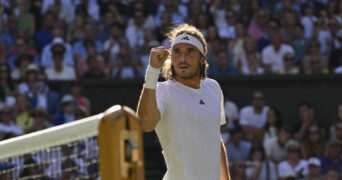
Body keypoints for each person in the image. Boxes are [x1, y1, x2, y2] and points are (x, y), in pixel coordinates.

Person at [136, 23, 230, 179]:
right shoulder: (162, 90)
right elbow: (145, 124)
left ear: (201, 58)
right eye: (177, 52)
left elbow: (214, 137)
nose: (182, 58)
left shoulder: (214, 87)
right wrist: (152, 71)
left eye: (190, 51)